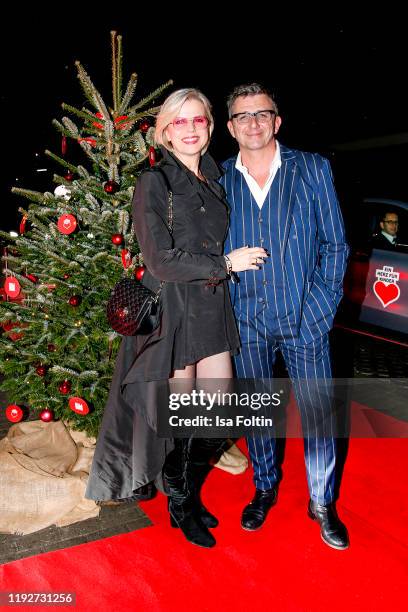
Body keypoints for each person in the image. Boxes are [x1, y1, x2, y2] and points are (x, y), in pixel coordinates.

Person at [85, 88, 266, 548]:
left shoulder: (214, 175)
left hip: (211, 307)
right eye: (179, 122)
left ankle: (178, 485)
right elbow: (160, 261)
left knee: (218, 416)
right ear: (165, 132)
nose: (189, 129)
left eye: (198, 121)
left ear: (209, 127)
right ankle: (181, 502)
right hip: (174, 312)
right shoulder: (154, 181)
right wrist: (226, 265)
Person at [220, 83, 350, 550]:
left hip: (305, 319)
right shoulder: (217, 179)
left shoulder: (312, 169)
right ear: (230, 127)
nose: (253, 122)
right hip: (246, 322)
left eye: (262, 114)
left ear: (277, 121)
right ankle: (265, 487)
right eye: (242, 116)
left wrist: (321, 307)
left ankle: (322, 502)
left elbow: (336, 245)